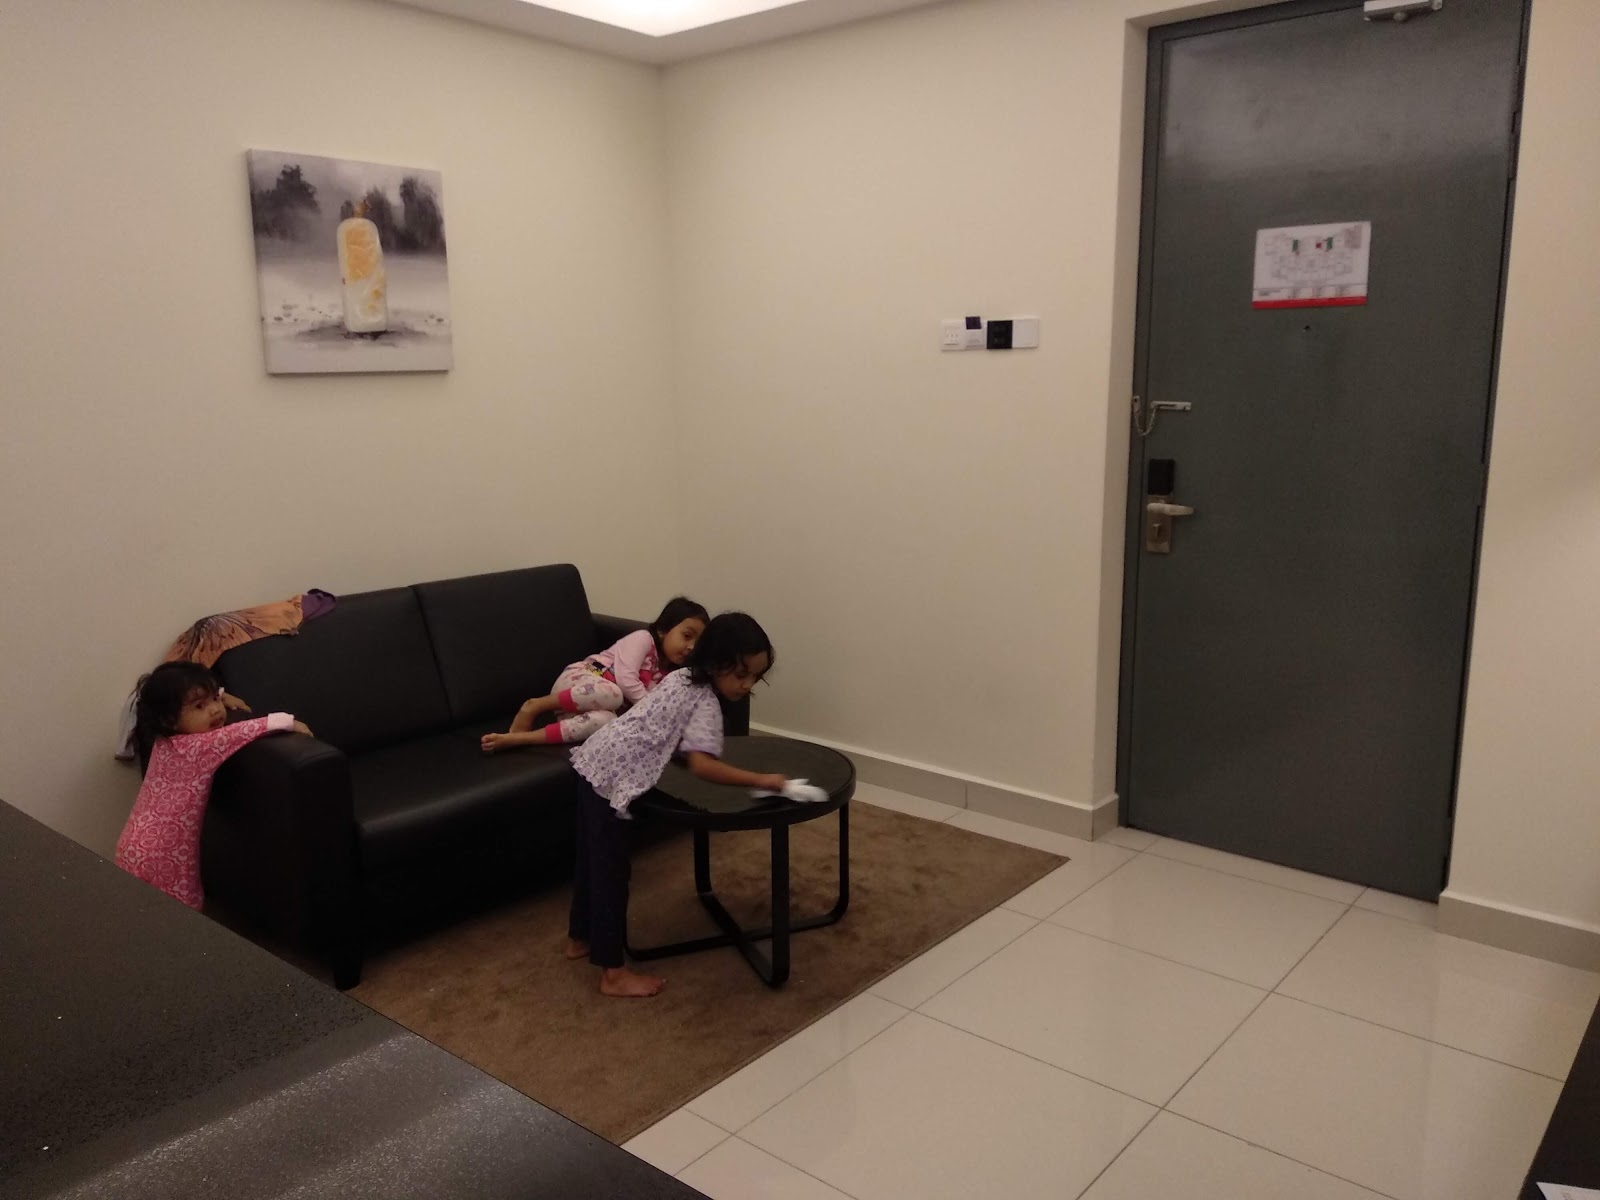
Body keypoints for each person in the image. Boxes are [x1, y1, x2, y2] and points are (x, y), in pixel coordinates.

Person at [566, 611, 784, 998]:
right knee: (611, 873)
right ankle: (612, 974)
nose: (747, 685)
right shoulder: (706, 703)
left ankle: (579, 938)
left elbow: (663, 727)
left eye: (755, 677)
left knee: (591, 861)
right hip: (610, 781)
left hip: (593, 761)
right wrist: (760, 779)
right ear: (715, 662)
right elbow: (703, 765)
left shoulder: (682, 676)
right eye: (741, 674)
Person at [115, 661, 311, 908]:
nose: (215, 710)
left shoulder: (163, 742)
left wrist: (220, 696)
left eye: (215, 699)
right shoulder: (198, 747)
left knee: (143, 911)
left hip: (134, 845)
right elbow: (244, 730)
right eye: (200, 706)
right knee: (183, 910)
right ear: (169, 719)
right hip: (163, 853)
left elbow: (170, 704)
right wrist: (287, 721)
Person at [481, 597, 709, 752]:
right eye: (687, 636)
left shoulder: (668, 675)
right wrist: (652, 710)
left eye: (698, 643)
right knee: (614, 693)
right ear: (663, 630)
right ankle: (535, 705)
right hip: (580, 680)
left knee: (607, 722)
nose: (691, 647)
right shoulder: (643, 639)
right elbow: (627, 680)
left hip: (588, 707)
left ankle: (522, 739)